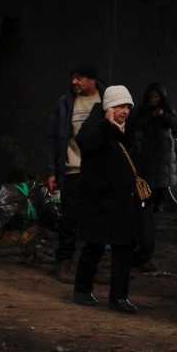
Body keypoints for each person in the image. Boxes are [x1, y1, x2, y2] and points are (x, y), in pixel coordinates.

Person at [69, 86, 144, 312]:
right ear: (109, 107)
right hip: (99, 199)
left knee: (124, 247)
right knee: (94, 244)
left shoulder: (130, 128)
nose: (125, 111)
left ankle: (119, 297)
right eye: (120, 106)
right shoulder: (96, 127)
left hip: (124, 198)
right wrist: (107, 125)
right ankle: (82, 290)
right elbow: (86, 143)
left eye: (128, 107)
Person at [45, 65, 102, 270]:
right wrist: (52, 170)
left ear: (92, 79)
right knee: (69, 219)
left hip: (99, 171)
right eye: (73, 78)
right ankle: (65, 261)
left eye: (79, 78)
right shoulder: (66, 102)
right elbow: (53, 138)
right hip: (73, 170)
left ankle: (90, 267)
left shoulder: (106, 101)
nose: (74, 82)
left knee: (96, 220)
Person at [127, 82, 177, 268]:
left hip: (159, 174)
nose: (154, 101)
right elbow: (133, 132)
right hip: (145, 173)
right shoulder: (141, 114)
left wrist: (163, 116)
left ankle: (143, 253)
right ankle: (142, 254)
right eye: (152, 97)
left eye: (157, 97)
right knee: (144, 214)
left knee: (150, 214)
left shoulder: (166, 113)